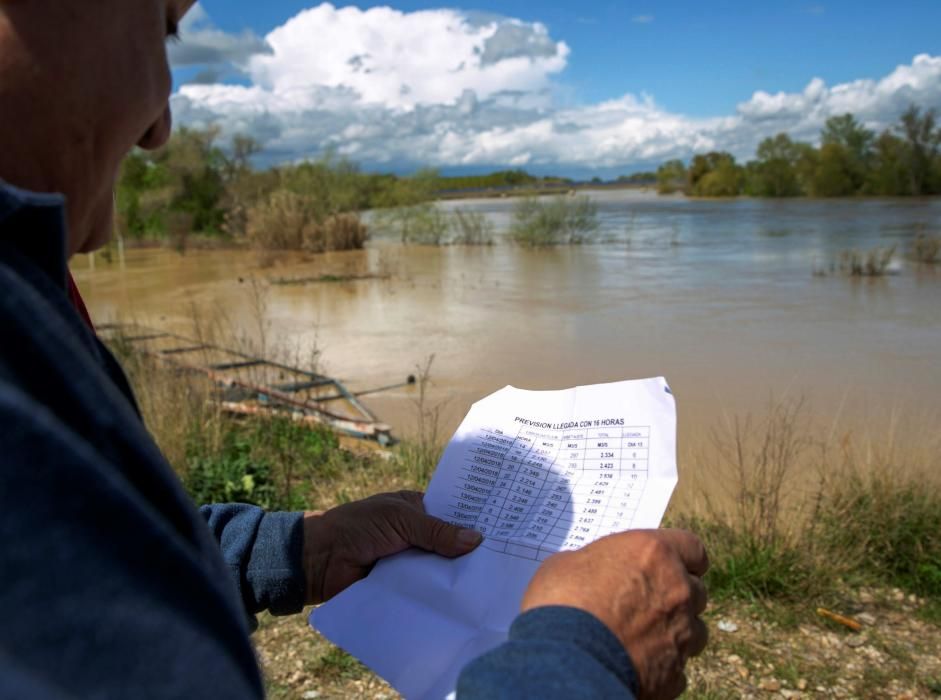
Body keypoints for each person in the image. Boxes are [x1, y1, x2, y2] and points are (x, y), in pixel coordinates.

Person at [0, 2, 708, 698]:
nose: (161, 126)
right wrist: (581, 655)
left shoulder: (30, 292)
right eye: (163, 26)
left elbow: (80, 569)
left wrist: (294, 551)